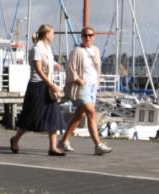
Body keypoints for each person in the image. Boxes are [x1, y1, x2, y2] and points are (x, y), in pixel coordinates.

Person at [9, 24, 66, 156]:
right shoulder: (37, 49)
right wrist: (50, 84)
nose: (53, 36)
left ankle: (53, 147)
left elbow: (47, 65)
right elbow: (39, 70)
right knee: (30, 116)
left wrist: (56, 66)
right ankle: (15, 139)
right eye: (52, 33)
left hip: (47, 85)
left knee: (54, 115)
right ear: (46, 34)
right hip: (38, 86)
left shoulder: (48, 48)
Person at [59, 27, 112, 156]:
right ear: (81, 37)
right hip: (82, 87)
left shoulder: (96, 50)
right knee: (91, 113)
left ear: (93, 36)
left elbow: (97, 68)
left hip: (93, 86)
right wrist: (78, 80)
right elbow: (70, 69)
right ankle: (98, 144)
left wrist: (98, 79)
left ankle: (63, 140)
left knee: (80, 115)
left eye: (90, 35)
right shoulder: (77, 51)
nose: (88, 38)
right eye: (85, 35)